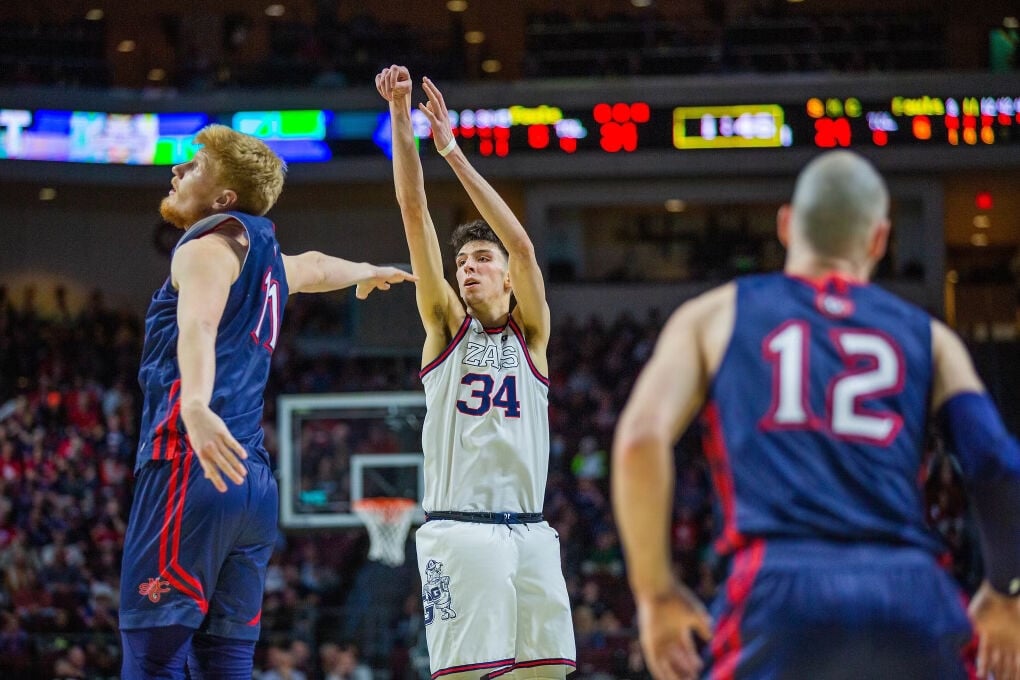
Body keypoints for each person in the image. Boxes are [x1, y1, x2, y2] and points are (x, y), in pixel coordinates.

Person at [612, 150, 1020, 680]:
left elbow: (640, 440)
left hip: (778, 587)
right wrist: (1004, 591)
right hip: (912, 596)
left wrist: (655, 592)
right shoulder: (931, 336)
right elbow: (997, 464)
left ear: (786, 224)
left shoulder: (713, 315)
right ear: (879, 239)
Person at [118, 124, 415, 679]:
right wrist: (366, 272)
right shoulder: (265, 254)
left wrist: (196, 406)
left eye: (195, 166)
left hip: (193, 462)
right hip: (251, 486)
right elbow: (318, 266)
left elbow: (199, 326)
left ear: (224, 198)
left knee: (151, 655)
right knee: (225, 660)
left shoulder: (205, 248)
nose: (177, 171)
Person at [376, 65, 576, 678]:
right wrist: (402, 116)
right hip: (462, 534)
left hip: (533, 534)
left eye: (481, 259)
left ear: (508, 277)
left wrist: (454, 152)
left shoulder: (532, 336)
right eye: (462, 260)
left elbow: (523, 246)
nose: (468, 267)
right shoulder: (445, 325)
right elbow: (414, 212)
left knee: (545, 675)